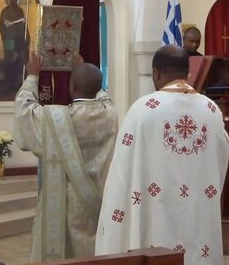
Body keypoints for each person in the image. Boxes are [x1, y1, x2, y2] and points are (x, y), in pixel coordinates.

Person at [95, 45, 229, 265]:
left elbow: (121, 172)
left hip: (153, 218)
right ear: (187, 72)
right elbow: (221, 161)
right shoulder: (212, 110)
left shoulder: (143, 110)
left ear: (156, 73)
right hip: (198, 215)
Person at [14, 55, 119, 262]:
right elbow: (103, 95)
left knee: (68, 253)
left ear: (72, 86)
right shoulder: (110, 114)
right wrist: (83, 69)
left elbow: (24, 111)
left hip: (66, 202)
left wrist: (32, 76)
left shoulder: (58, 118)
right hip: (100, 200)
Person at [0, 0, 29, 94]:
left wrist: (26, 36)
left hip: (19, 39)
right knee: (9, 60)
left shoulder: (20, 11)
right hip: (9, 40)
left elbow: (23, 25)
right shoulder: (5, 11)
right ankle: (8, 82)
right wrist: (9, 32)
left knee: (19, 59)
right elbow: (2, 25)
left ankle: (17, 82)